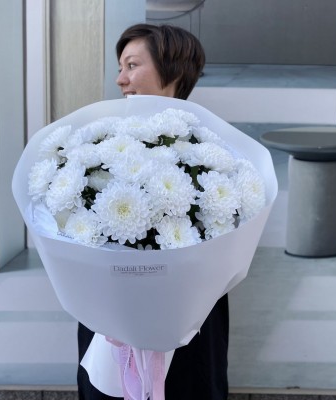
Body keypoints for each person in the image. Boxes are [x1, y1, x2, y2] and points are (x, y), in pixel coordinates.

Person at [77, 23, 229, 400]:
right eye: (120, 68)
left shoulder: (213, 151)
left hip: (189, 314)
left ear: (173, 71)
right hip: (110, 308)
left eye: (131, 66)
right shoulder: (100, 146)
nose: (120, 79)